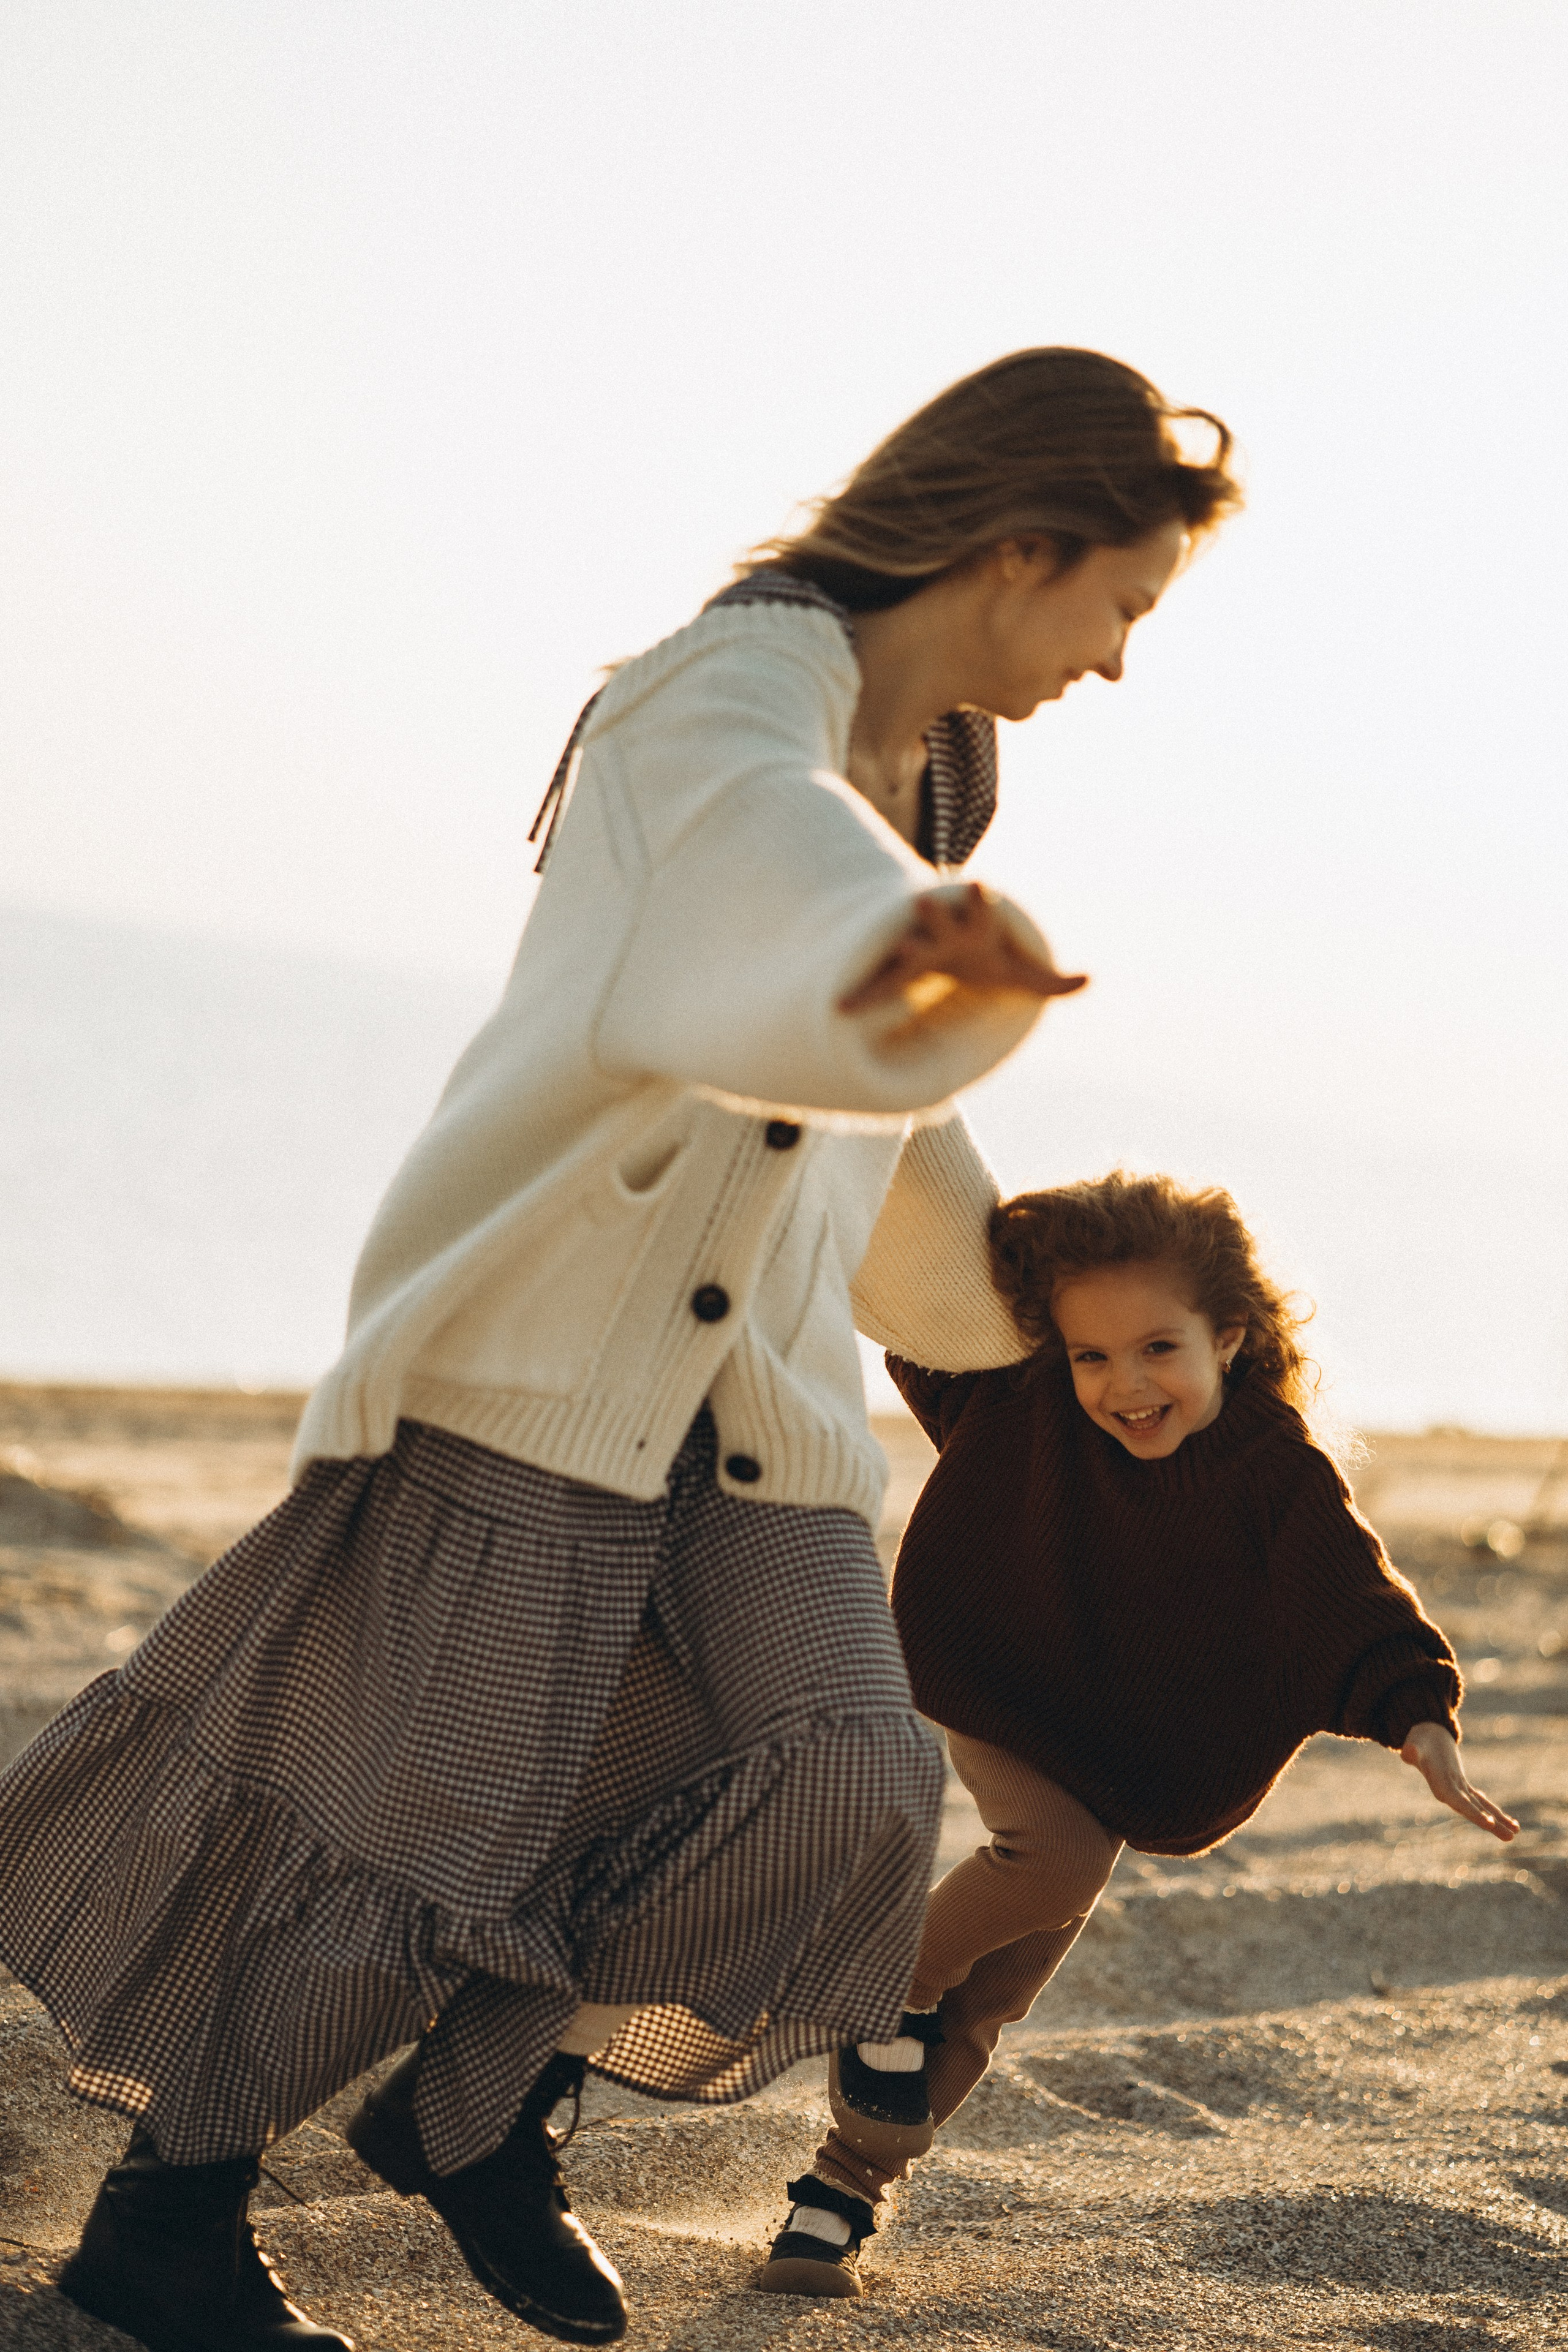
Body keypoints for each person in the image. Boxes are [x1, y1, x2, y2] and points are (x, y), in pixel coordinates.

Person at [0, 349, 1238, 2352]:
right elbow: (775, 892)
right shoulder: (724, 693)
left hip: (759, 1412)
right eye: (1123, 606)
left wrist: (1030, 1335)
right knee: (413, 1838)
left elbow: (884, 1119)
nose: (1115, 661)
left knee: (846, 1787)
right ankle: (164, 2230)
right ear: (1023, 549)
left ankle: (478, 2106)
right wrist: (917, 956)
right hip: (541, 1376)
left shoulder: (937, 761)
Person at [761, 1169, 1516, 2297]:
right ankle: (884, 1978)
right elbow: (930, 1316)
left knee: (1001, 1990)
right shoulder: (1023, 1402)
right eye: (1091, 1356)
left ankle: (835, 2200)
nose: (1125, 1384)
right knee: (1050, 1862)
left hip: (1129, 1740)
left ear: (1230, 1336)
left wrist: (1420, 1719)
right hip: (1007, 1674)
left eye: (1160, 1349)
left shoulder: (1275, 1468)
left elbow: (1350, 1596)